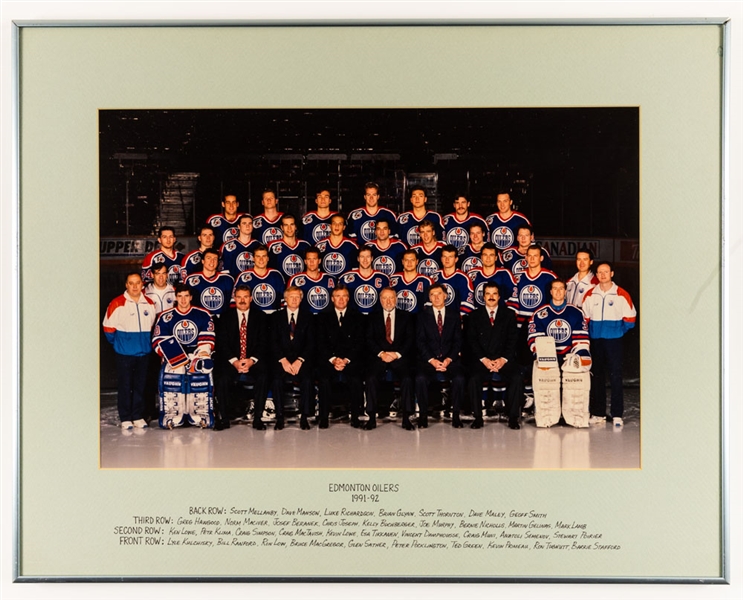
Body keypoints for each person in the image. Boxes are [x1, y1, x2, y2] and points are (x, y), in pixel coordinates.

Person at [151, 283, 216, 428]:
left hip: (196, 355)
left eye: (186, 296)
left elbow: (207, 338)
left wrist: (199, 356)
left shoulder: (202, 314)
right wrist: (177, 358)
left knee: (200, 372)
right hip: (174, 358)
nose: (183, 300)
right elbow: (158, 340)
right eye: (180, 296)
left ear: (191, 297)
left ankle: (200, 413)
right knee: (173, 376)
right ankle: (172, 414)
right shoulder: (166, 316)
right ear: (176, 297)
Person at [582, 262, 636, 428]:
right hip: (596, 341)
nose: (603, 275)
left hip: (614, 341)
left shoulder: (621, 294)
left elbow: (630, 319)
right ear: (596, 275)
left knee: (615, 377)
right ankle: (598, 413)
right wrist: (593, 333)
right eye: (599, 272)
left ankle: (617, 414)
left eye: (606, 272)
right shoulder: (590, 294)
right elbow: (585, 318)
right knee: (597, 376)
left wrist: (616, 331)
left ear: (612, 273)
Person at [103, 272, 158, 429]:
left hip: (144, 353)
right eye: (131, 283)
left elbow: (153, 326)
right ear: (126, 285)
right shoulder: (117, 303)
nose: (134, 286)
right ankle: (126, 417)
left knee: (141, 385)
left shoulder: (150, 303)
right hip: (124, 354)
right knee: (126, 385)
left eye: (137, 283)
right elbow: (108, 329)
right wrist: (121, 344)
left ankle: (138, 416)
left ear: (142, 284)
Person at [466, 283, 523, 430]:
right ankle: (478, 417)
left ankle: (513, 417)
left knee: (516, 377)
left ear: (499, 296)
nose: (491, 297)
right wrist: (484, 360)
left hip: (503, 359)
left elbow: (513, 340)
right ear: (483, 296)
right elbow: (472, 341)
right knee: (473, 379)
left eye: (494, 294)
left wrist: (503, 359)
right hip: (483, 360)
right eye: (488, 294)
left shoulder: (509, 314)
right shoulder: (474, 315)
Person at [214, 285, 270, 430]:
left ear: (251, 298)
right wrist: (235, 361)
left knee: (263, 376)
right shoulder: (226, 317)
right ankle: (224, 418)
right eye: (239, 297)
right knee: (222, 378)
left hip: (252, 360)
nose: (242, 300)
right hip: (233, 360)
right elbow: (222, 343)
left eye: (245, 297)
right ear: (235, 299)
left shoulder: (261, 316)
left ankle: (257, 418)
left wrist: (251, 360)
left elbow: (264, 342)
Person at [414, 284, 466, 429]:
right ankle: (423, 416)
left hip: (450, 360)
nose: (436, 297)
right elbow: (420, 341)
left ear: (445, 296)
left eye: (439, 294)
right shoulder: (422, 316)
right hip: (429, 361)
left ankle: (456, 415)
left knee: (459, 379)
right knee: (420, 378)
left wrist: (449, 359)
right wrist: (432, 360)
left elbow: (458, 341)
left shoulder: (454, 316)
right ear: (429, 298)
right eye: (432, 295)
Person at [364, 288, 416, 431]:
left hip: (399, 357)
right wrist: (381, 353)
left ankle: (406, 418)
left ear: (396, 299)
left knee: (407, 379)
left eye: (391, 298)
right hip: (380, 357)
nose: (388, 301)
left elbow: (409, 339)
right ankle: (371, 418)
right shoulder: (372, 316)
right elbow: (369, 339)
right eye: (385, 298)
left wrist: (397, 354)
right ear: (380, 300)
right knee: (371, 379)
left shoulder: (405, 316)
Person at [316, 285, 366, 428]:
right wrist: (333, 360)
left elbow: (359, 343)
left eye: (344, 296)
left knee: (356, 380)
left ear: (348, 298)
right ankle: (324, 417)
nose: (341, 299)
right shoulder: (323, 317)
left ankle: (356, 416)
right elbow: (321, 343)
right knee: (324, 380)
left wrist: (345, 360)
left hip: (349, 360)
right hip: (330, 360)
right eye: (338, 296)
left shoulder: (358, 317)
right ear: (332, 299)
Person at [270, 286, 317, 430]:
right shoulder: (275, 317)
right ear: (285, 299)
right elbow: (272, 342)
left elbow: (311, 343)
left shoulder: (309, 317)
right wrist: (283, 360)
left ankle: (304, 417)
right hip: (282, 361)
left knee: (308, 379)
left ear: (301, 299)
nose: (294, 299)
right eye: (291, 297)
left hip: (301, 361)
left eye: (297, 297)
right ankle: (279, 417)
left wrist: (300, 361)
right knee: (276, 379)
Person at [528, 279, 591, 366]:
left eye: (561, 288)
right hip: (547, 356)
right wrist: (546, 355)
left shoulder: (576, 313)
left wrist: (575, 357)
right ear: (551, 291)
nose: (558, 291)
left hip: (570, 356)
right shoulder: (539, 313)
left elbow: (581, 341)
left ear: (565, 291)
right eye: (555, 288)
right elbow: (535, 339)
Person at [233, 245, 286, 314]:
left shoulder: (276, 275)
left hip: (273, 316)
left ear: (268, 258)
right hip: (252, 317)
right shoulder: (243, 276)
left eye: (264, 256)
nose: (261, 259)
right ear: (253, 258)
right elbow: (236, 301)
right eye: (258, 256)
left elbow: (283, 300)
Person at [183, 248, 235, 319]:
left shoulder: (228, 279)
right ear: (203, 261)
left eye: (215, 259)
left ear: (218, 262)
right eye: (209, 258)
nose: (212, 261)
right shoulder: (191, 280)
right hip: (199, 320)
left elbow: (233, 304)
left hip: (223, 321)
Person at [339, 247, 391, 315]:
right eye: (362, 257)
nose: (365, 260)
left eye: (368, 257)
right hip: (353, 318)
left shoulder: (383, 278)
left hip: (376, 318)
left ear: (372, 258)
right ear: (358, 259)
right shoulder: (346, 277)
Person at [287, 247, 337, 315]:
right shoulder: (295, 280)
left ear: (319, 261)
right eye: (309, 259)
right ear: (305, 261)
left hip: (326, 319)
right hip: (305, 319)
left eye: (314, 259)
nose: (311, 262)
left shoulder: (331, 279)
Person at [467, 242, 518, 309]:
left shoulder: (504, 274)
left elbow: (514, 297)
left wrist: (507, 316)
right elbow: (468, 298)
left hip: (500, 317)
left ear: (496, 258)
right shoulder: (472, 274)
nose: (488, 258)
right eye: (485, 255)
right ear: (481, 257)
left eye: (491, 255)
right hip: (478, 316)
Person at [268, 213, 312, 280]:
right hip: (282, 287)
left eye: (292, 224)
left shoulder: (305, 245)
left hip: (300, 286)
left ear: (296, 226)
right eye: (286, 225)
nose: (289, 228)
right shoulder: (273, 246)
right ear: (282, 227)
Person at [390, 249, 434, 314]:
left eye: (412, 260)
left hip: (418, 320)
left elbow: (430, 304)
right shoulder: (393, 278)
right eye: (406, 260)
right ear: (402, 262)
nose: (409, 263)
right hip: (397, 319)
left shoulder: (426, 281)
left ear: (417, 261)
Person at [436, 245, 475, 316]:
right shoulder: (434, 276)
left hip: (455, 321)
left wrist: (458, 321)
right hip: (436, 320)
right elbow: (428, 302)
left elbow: (467, 304)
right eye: (444, 257)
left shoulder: (463, 278)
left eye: (450, 257)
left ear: (456, 259)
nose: (447, 260)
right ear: (441, 258)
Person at [221, 214, 261, 279]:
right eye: (244, 223)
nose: (247, 226)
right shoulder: (227, 246)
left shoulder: (258, 245)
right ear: (239, 226)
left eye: (250, 223)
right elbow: (224, 271)